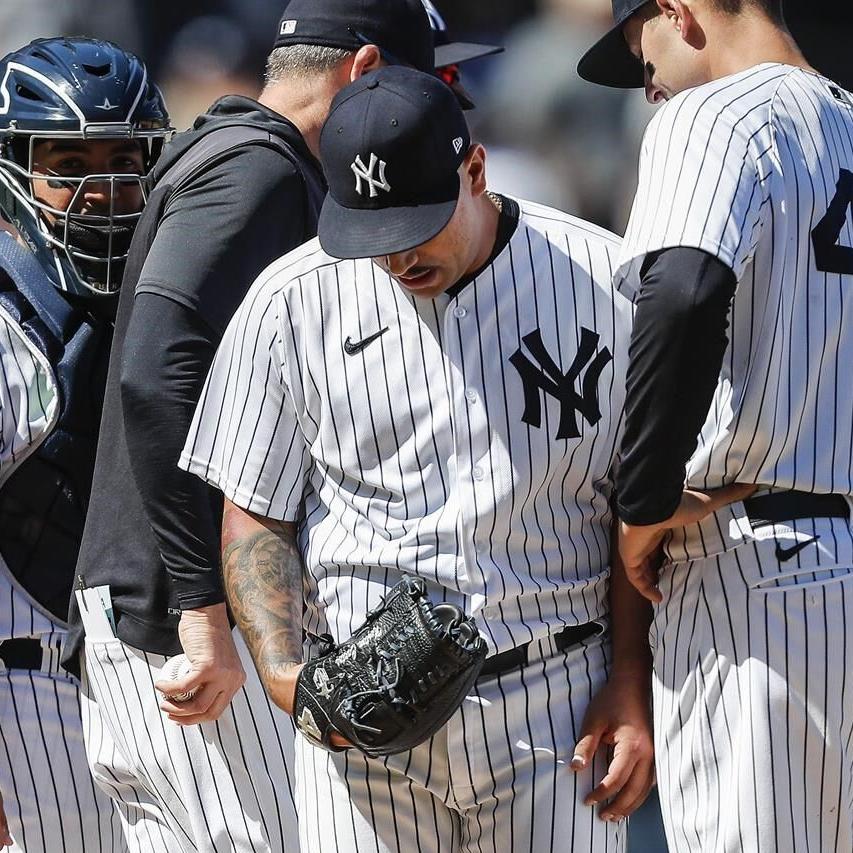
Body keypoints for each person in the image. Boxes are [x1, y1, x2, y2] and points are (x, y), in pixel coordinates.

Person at [181, 64, 657, 852]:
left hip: (549, 697)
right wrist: (286, 677)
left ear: (474, 171)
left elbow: (636, 509)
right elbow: (254, 509)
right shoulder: (289, 299)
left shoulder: (602, 282)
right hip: (363, 714)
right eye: (372, 234)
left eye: (415, 224)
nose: (396, 256)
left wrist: (630, 679)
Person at [63, 2, 501, 851]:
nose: (444, 105)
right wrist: (205, 612)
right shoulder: (254, 170)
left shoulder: (236, 158)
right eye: (434, 82)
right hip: (184, 635)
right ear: (365, 71)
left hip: (153, 625)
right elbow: (155, 376)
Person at [578, 1, 853, 850]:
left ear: (678, 10)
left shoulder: (714, 113)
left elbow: (684, 288)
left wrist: (644, 497)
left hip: (758, 575)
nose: (649, 84)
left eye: (641, 46)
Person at [0, 36, 171, 852]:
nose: (103, 190)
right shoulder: (7, 324)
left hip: (139, 696)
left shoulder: (171, 304)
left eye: (125, 159)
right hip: (16, 697)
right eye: (68, 164)